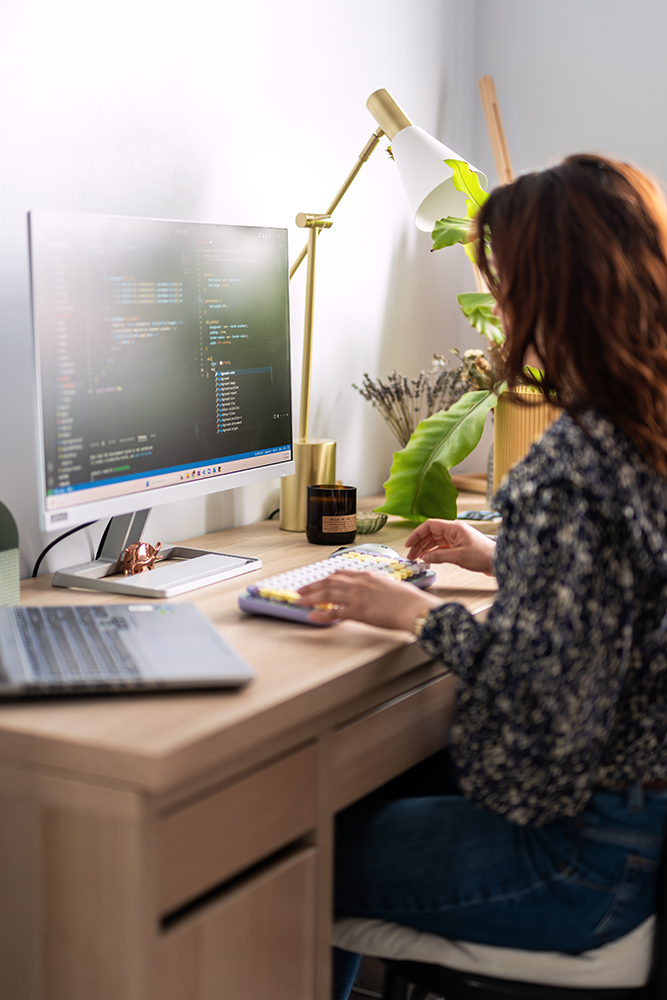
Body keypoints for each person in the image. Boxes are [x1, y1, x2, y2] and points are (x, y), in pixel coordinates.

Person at [296, 154, 667, 1000]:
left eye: (503, 286)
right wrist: (509, 559)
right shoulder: (642, 427)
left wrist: (413, 614)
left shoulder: (570, 466)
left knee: (294, 844)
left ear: (548, 293)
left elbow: (552, 701)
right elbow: (629, 590)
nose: (498, 310)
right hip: (633, 835)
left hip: (571, 863)